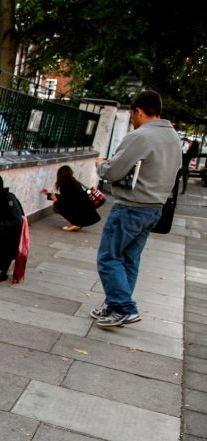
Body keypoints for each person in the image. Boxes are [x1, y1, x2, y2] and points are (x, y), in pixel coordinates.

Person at [92, 90, 183, 328]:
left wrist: (101, 166)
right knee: (129, 259)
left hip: (131, 207)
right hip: (155, 207)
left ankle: (124, 307)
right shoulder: (173, 137)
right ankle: (115, 307)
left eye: (133, 114)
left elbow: (113, 171)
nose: (132, 119)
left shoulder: (141, 136)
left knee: (108, 257)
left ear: (138, 111)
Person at [39, 165, 101, 232]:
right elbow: (68, 197)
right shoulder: (73, 181)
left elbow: (68, 200)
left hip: (80, 210)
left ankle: (76, 223)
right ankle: (78, 223)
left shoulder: (65, 184)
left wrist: (55, 199)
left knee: (57, 205)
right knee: (59, 203)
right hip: (85, 210)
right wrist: (48, 194)